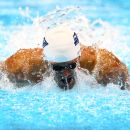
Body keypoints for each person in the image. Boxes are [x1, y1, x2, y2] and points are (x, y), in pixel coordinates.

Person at [0, 25, 129, 90]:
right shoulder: (22, 66)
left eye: (71, 65)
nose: (66, 73)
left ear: (78, 58)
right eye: (57, 67)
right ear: (47, 61)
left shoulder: (101, 65)